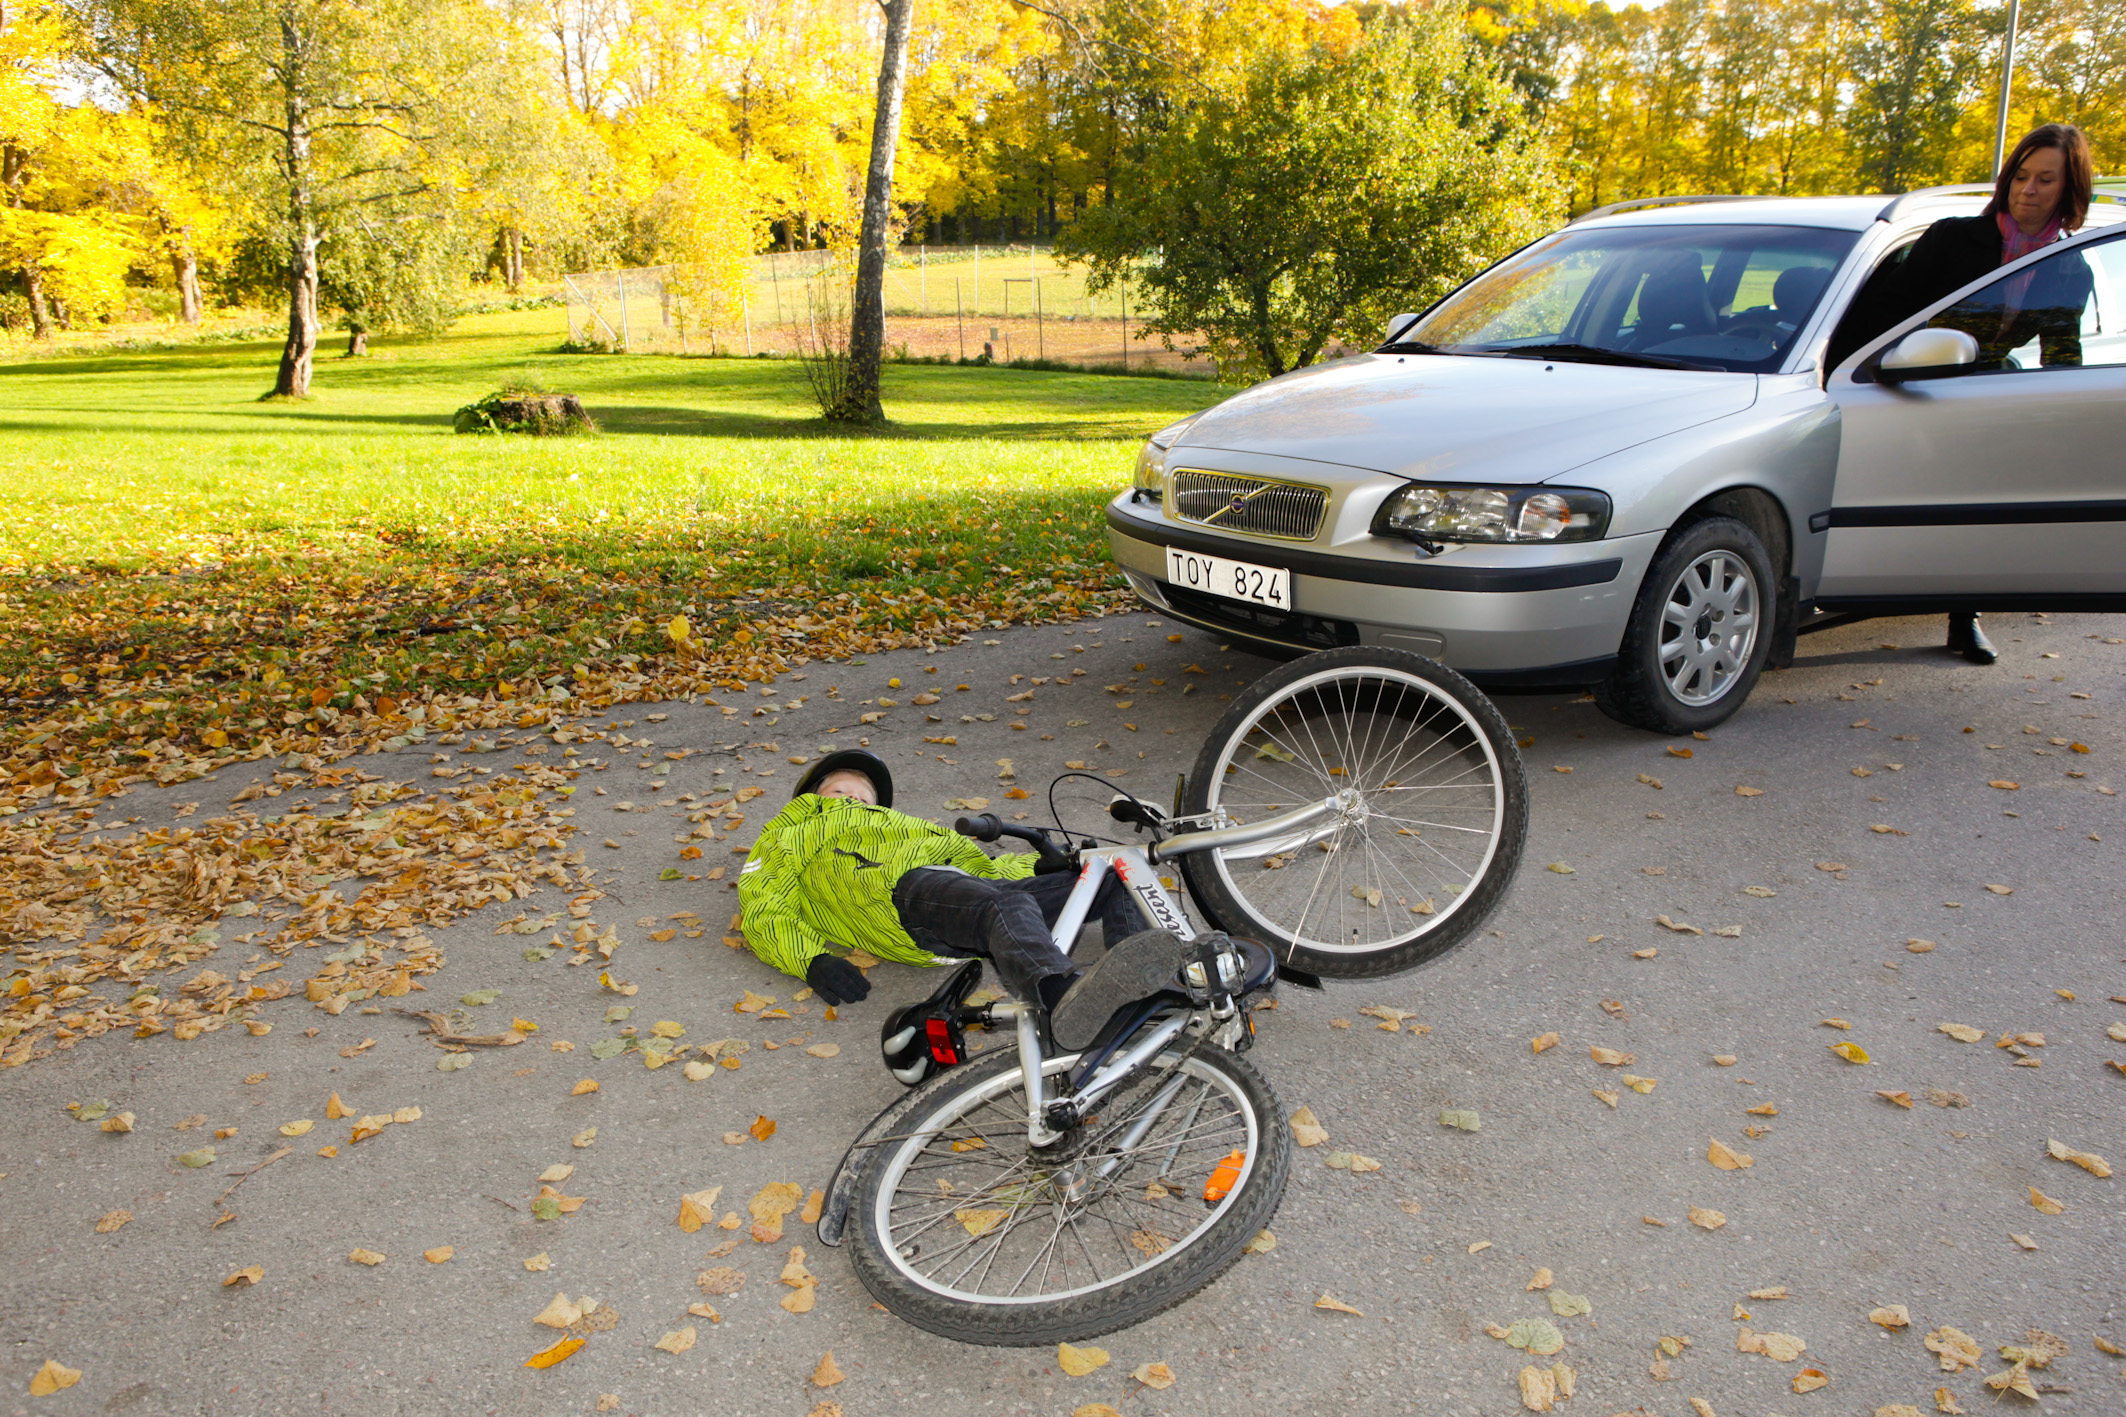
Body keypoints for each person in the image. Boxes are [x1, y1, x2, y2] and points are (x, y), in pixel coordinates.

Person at [735, 748, 1194, 1050]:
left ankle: (1145, 986)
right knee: (1004, 908)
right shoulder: (794, 831)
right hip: (898, 894)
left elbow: (985, 872)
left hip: (959, 890)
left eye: (866, 796)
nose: (855, 798)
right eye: (841, 791)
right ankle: (1062, 997)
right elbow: (762, 901)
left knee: (1110, 876)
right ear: (813, 797)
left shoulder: (910, 828)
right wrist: (811, 960)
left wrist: (1040, 867)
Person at [1847, 124, 2097, 664]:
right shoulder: (1954, 237)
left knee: (1985, 496)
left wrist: (2071, 413)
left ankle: (1965, 616)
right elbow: (1884, 311)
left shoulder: (2071, 268)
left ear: (2070, 189)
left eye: (2045, 179)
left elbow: (2061, 350)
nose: (2027, 190)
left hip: (1985, 392)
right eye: (2021, 176)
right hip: (1910, 379)